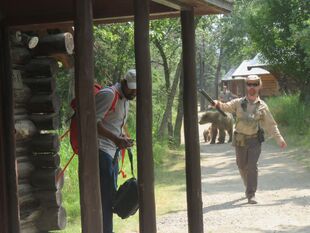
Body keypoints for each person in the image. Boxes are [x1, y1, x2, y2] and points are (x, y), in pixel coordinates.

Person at [214, 75, 287, 204]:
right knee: (242, 166)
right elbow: (226, 106)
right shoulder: (238, 102)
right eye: (249, 84)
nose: (252, 87)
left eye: (255, 84)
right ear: (246, 86)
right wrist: (217, 104)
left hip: (255, 140)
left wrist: (279, 139)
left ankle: (251, 194)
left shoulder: (262, 106)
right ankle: (248, 186)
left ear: (259, 86)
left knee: (252, 166)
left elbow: (271, 124)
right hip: (240, 139)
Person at [95, 69, 137, 233]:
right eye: (132, 88)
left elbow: (112, 124)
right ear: (123, 82)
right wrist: (116, 139)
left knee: (110, 199)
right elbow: (93, 122)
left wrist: (122, 140)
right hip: (102, 151)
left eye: (136, 89)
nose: (134, 92)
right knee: (107, 201)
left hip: (112, 153)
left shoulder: (125, 98)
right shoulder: (108, 95)